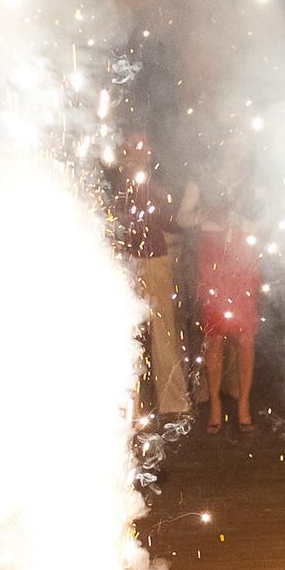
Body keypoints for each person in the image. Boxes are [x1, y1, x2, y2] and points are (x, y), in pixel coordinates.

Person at [111, 138, 190, 420]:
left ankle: (174, 402)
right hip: (126, 264)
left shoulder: (156, 184)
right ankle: (129, 406)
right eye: (132, 148)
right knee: (126, 335)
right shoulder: (117, 185)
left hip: (155, 260)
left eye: (142, 148)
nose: (137, 153)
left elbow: (171, 218)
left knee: (164, 333)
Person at [179, 184, 263, 434]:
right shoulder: (201, 179)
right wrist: (206, 214)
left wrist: (240, 219)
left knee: (245, 336)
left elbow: (264, 220)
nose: (233, 151)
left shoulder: (251, 181)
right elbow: (183, 217)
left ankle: (243, 403)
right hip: (212, 259)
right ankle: (215, 404)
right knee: (214, 336)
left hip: (243, 256)